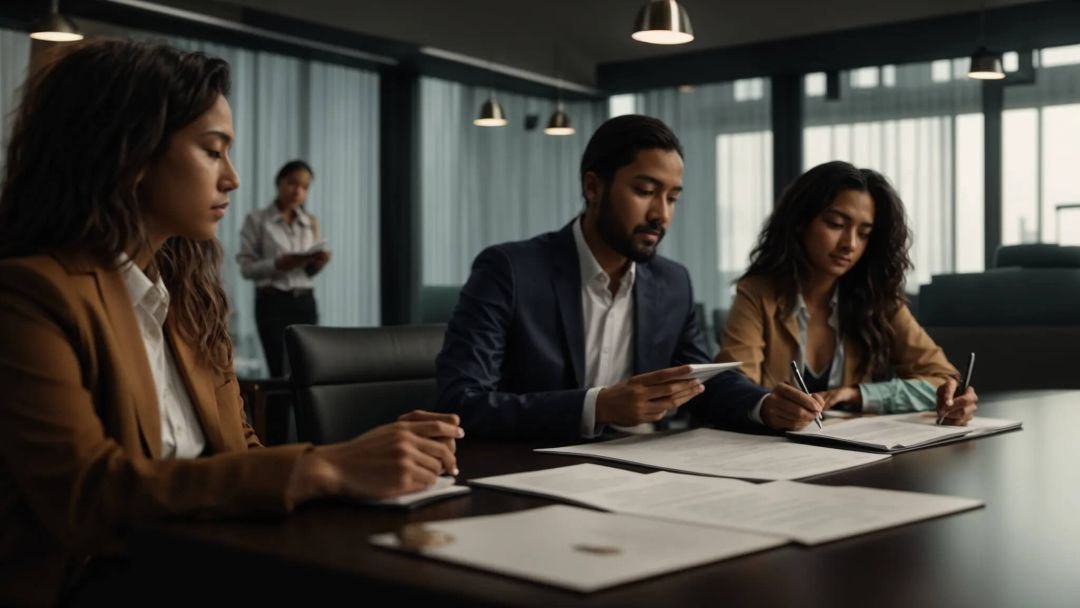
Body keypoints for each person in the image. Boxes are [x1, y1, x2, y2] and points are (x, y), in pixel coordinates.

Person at [0, 40, 459, 606]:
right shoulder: (29, 296)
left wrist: (362, 452)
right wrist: (327, 467)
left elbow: (239, 453)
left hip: (206, 563)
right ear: (130, 153)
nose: (234, 178)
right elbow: (88, 498)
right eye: (213, 151)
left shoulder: (190, 298)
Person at [435, 114, 823, 439]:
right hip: (531, 470)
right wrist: (598, 405)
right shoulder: (511, 270)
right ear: (593, 187)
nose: (661, 214)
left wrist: (765, 404)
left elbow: (699, 383)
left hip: (640, 473)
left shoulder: (673, 283)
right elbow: (461, 402)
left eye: (672, 198)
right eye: (645, 191)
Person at [715, 161, 978, 429]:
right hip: (774, 454)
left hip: (857, 455)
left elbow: (942, 378)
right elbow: (732, 388)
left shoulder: (879, 302)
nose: (849, 244)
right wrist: (768, 406)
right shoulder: (757, 294)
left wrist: (859, 395)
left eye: (864, 234)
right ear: (800, 222)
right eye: (836, 224)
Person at [237, 159, 330, 377]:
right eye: (292, 183)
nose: (298, 191)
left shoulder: (310, 222)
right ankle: (276, 413)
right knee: (279, 372)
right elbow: (246, 268)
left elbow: (308, 272)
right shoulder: (257, 220)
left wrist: (318, 263)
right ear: (279, 182)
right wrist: (277, 264)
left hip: (305, 302)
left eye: (305, 187)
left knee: (308, 370)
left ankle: (305, 413)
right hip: (273, 303)